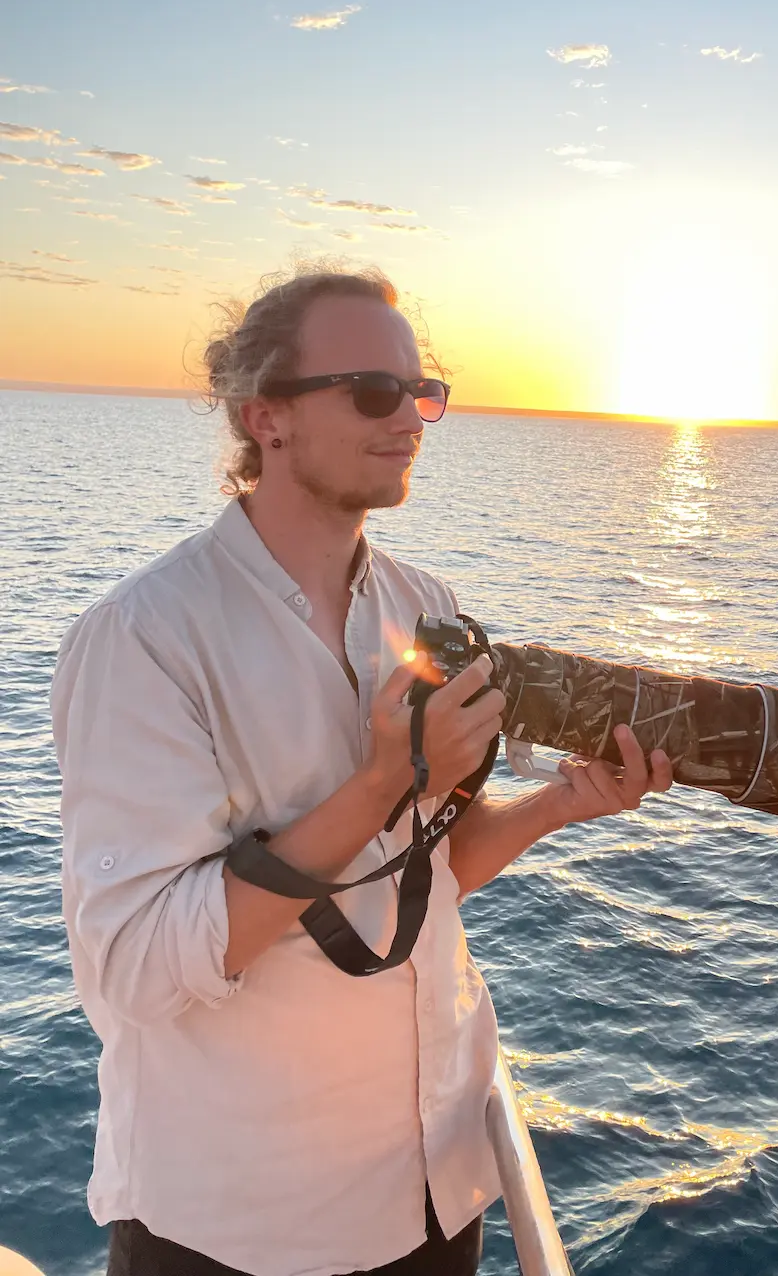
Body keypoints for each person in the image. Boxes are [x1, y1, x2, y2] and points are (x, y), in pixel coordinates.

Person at [53, 266, 673, 1276]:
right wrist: (378, 782)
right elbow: (137, 963)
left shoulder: (425, 604)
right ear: (267, 418)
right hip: (247, 1222)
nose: (414, 418)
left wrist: (561, 801)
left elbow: (425, 881)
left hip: (435, 1186)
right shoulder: (145, 638)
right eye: (375, 392)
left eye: (422, 390)